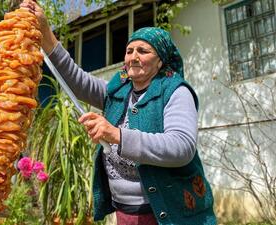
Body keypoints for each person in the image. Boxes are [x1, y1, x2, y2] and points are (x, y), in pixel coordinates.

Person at [20, 1, 217, 224]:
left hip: (167, 213)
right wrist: (45, 30)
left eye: (143, 51)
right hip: (126, 213)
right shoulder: (117, 91)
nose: (133, 57)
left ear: (160, 60)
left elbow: (181, 147)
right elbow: (75, 79)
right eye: (129, 50)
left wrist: (117, 135)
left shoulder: (175, 92)